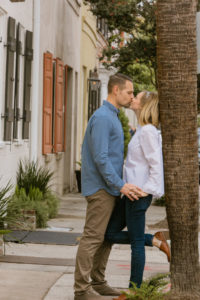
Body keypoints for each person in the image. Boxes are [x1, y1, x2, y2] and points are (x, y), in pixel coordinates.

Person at [74, 74, 145, 300]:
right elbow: (101, 158)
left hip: (111, 188)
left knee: (106, 237)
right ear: (116, 90)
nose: (131, 97)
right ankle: (82, 290)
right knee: (93, 238)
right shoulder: (103, 117)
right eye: (129, 92)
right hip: (101, 189)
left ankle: (98, 282)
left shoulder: (112, 116)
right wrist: (121, 185)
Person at [105, 91, 171, 289]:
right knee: (109, 233)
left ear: (145, 105)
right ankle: (155, 240)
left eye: (137, 97)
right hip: (129, 193)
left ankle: (134, 290)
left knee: (136, 245)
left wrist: (147, 190)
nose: (132, 98)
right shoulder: (142, 129)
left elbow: (156, 164)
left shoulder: (149, 131)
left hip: (138, 196)